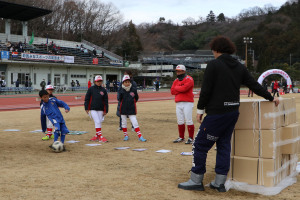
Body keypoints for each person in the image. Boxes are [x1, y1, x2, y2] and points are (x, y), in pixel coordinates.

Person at [178, 36, 279, 192]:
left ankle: (196, 179)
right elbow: (253, 84)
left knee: (199, 145)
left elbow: (206, 90)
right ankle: (220, 182)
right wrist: (271, 97)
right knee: (223, 145)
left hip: (216, 113)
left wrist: (200, 110)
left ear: (216, 49)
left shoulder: (214, 65)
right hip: (232, 113)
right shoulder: (239, 66)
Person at [170, 64, 195, 144]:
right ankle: (181, 137)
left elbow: (184, 89)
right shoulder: (175, 80)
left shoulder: (189, 79)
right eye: (177, 71)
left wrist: (177, 88)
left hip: (187, 102)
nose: (178, 73)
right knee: (180, 120)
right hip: (178, 102)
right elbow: (172, 91)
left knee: (189, 120)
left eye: (180, 71)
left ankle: (191, 138)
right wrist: (180, 89)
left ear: (184, 71)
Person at [118, 75, 146, 142]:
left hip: (131, 108)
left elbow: (136, 98)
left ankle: (140, 136)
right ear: (123, 83)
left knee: (135, 122)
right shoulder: (121, 90)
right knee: (123, 123)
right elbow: (119, 99)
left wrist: (132, 102)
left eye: (128, 82)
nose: (127, 83)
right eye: (126, 82)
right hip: (123, 109)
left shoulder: (133, 89)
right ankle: (126, 135)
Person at [84, 75, 109, 142]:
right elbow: (87, 99)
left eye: (100, 81)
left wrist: (106, 110)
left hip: (101, 109)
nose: (99, 82)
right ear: (95, 81)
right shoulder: (91, 89)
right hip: (93, 109)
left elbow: (106, 100)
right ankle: (100, 136)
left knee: (99, 122)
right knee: (97, 121)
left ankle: (96, 136)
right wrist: (86, 107)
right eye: (98, 81)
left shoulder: (103, 90)